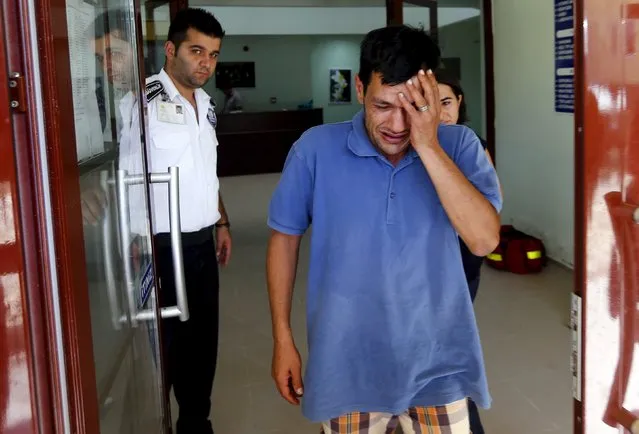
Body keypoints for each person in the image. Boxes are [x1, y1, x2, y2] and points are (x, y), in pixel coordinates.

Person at [266, 25, 502, 434]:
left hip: (439, 365)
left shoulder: (459, 145)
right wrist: (283, 338)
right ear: (360, 88)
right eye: (382, 106)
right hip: (345, 366)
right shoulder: (314, 149)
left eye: (410, 107)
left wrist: (429, 145)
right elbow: (284, 242)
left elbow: (483, 239)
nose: (396, 124)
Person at [121, 8, 232, 434]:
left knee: (204, 346)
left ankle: (195, 423)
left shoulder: (206, 105)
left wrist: (221, 222)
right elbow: (129, 175)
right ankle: (160, 422)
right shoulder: (144, 100)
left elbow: (207, 171)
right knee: (163, 351)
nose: (206, 62)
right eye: (196, 50)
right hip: (161, 247)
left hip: (202, 244)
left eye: (214, 54)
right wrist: (134, 241)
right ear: (171, 50)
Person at [435, 68, 494, 434]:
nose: (440, 112)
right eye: (430, 103)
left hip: (461, 260)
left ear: (459, 102)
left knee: (448, 350)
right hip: (425, 261)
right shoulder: (407, 142)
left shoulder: (470, 143)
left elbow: (488, 212)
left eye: (446, 102)